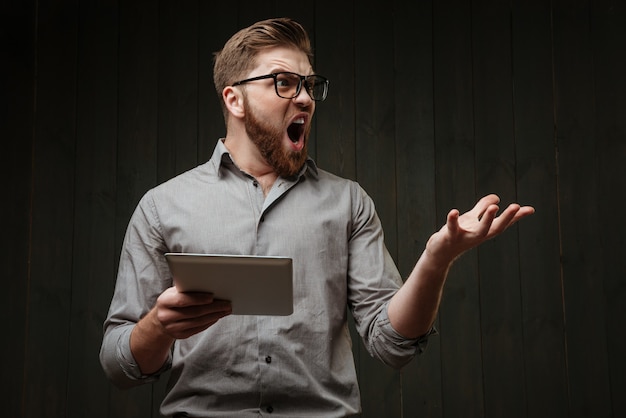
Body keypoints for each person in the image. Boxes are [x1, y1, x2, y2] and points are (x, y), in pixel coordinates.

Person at [100, 17, 534, 418]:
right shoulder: (162, 206)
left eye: (309, 84)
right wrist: (158, 326)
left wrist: (437, 258)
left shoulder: (348, 202)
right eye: (284, 83)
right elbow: (119, 365)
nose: (305, 97)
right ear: (234, 98)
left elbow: (391, 343)